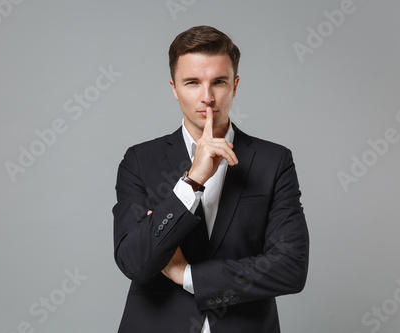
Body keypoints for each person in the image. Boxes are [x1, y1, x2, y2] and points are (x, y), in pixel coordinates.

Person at [113, 25, 309, 333]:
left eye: (218, 82)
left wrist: (186, 275)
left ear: (235, 85)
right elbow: (135, 262)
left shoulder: (274, 161)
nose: (207, 98)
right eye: (192, 82)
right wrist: (191, 182)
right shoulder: (139, 161)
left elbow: (290, 269)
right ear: (174, 88)